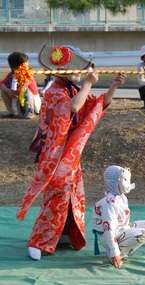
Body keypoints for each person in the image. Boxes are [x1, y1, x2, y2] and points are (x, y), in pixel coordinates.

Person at [15, 44, 127, 261]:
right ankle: (39, 240)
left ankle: (65, 234)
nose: (80, 72)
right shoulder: (54, 92)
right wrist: (87, 83)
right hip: (55, 153)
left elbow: (97, 104)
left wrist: (113, 86)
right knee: (56, 195)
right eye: (75, 69)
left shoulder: (73, 89)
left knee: (74, 195)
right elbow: (73, 108)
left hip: (70, 153)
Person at [92, 165, 145, 268]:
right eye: (125, 180)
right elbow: (109, 229)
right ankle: (115, 253)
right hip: (110, 235)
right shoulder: (110, 203)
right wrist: (114, 252)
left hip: (121, 228)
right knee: (143, 234)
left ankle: (121, 248)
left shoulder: (122, 197)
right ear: (114, 183)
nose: (128, 184)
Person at [0, 51, 40, 119]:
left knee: (27, 91)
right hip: (18, 100)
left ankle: (31, 112)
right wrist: (8, 91)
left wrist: (12, 92)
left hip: (31, 102)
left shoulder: (28, 75)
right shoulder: (11, 74)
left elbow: (23, 87)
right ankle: (13, 112)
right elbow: (1, 84)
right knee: (3, 91)